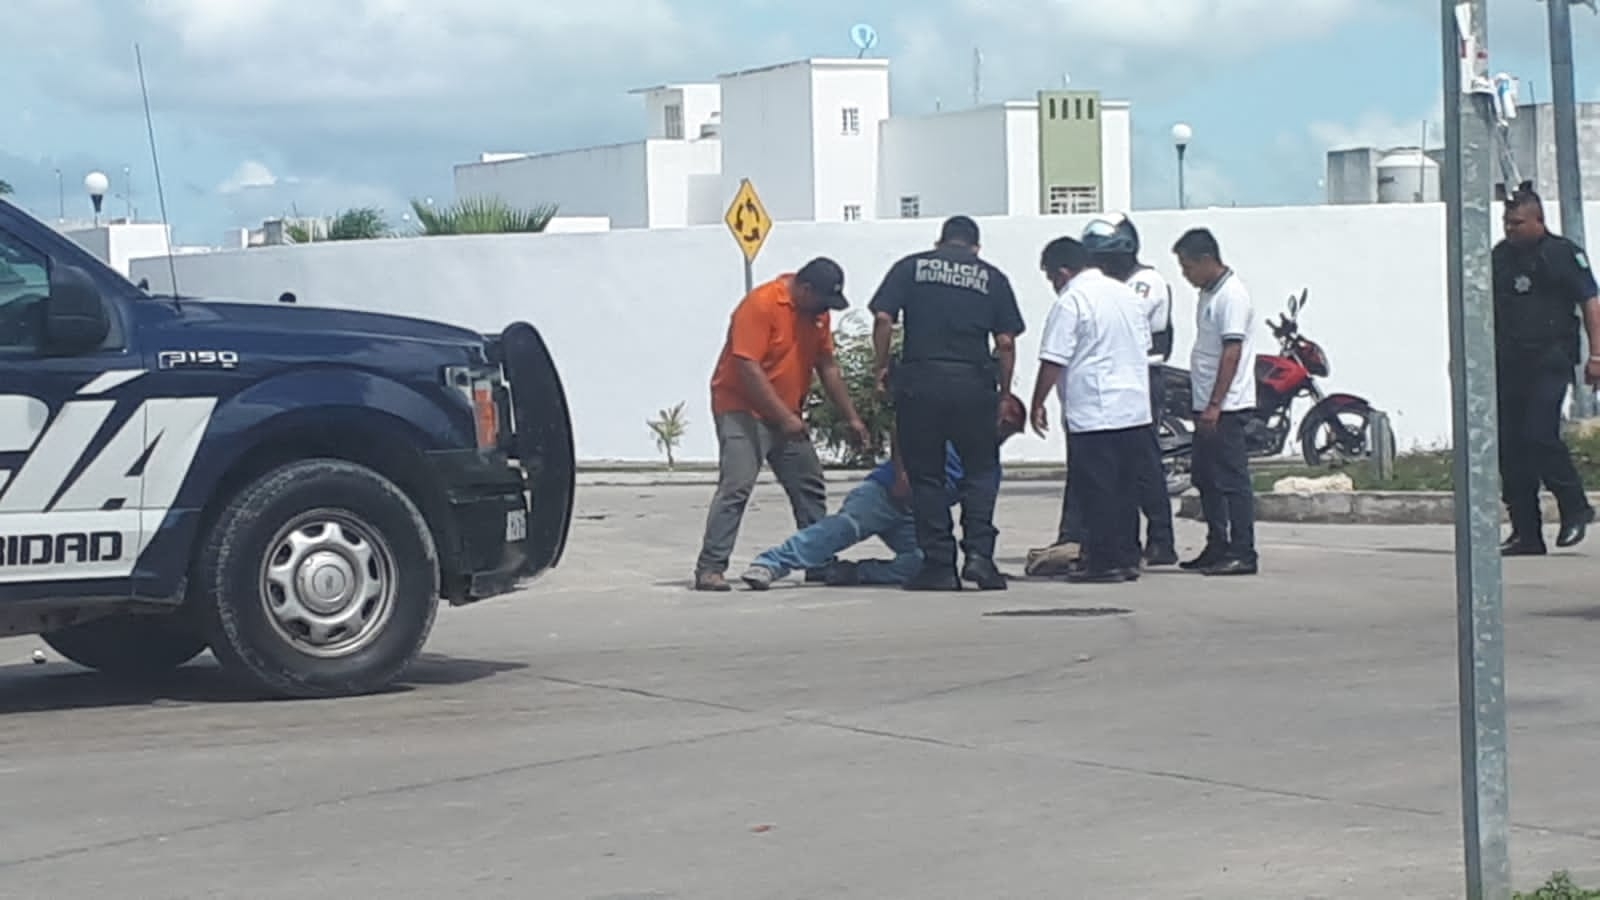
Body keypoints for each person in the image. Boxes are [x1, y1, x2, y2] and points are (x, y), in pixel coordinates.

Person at [867, 215, 1027, 592]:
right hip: (973, 386)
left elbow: (883, 319)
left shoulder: (910, 267)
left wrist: (881, 368)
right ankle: (980, 559)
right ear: (975, 247)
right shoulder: (992, 277)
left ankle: (939, 565)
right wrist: (1004, 395)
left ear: (939, 243)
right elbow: (1005, 342)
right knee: (980, 472)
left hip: (920, 383)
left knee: (927, 476)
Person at [693, 258, 872, 592]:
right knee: (737, 486)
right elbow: (747, 367)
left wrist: (851, 417)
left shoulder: (816, 314)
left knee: (809, 485)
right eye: (821, 301)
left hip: (787, 414)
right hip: (741, 408)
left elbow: (827, 365)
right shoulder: (760, 305)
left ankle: (818, 561)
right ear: (804, 290)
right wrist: (784, 417)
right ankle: (710, 568)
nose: (824, 310)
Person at [740, 395, 1028, 590]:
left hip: (914, 516)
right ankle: (771, 563)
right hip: (884, 492)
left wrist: (983, 561)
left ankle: (851, 573)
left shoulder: (986, 466)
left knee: (924, 563)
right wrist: (902, 472)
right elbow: (902, 426)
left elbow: (977, 515)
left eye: (1009, 432)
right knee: (844, 528)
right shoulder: (950, 429)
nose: (1002, 436)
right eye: (1004, 427)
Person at [1028, 213, 1178, 575]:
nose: (1053, 285)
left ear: (1062, 272)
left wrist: (1037, 402)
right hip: (1134, 408)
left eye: (1051, 278)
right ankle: (1126, 556)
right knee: (1126, 487)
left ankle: (1103, 560)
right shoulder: (1125, 296)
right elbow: (1146, 346)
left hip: (1095, 409)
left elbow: (1054, 358)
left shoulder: (1072, 301)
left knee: (1096, 489)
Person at [1494, 183, 1600, 555]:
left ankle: (1575, 507)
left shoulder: (1562, 254)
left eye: (1517, 223)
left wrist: (1597, 356)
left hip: (1550, 360)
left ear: (1538, 221)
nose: (1510, 230)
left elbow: (1591, 302)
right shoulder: (1499, 258)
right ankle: (1526, 532)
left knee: (1539, 434)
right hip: (1508, 363)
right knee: (1511, 447)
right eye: (1507, 223)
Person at [1172, 227, 1258, 576]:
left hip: (1227, 405)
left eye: (1188, 267)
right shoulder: (1208, 294)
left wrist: (1215, 404)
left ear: (1207, 260)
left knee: (1231, 479)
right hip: (1205, 400)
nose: (1186, 275)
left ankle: (1243, 550)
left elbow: (1231, 352)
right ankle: (1217, 543)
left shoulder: (1231, 297)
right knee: (1205, 477)